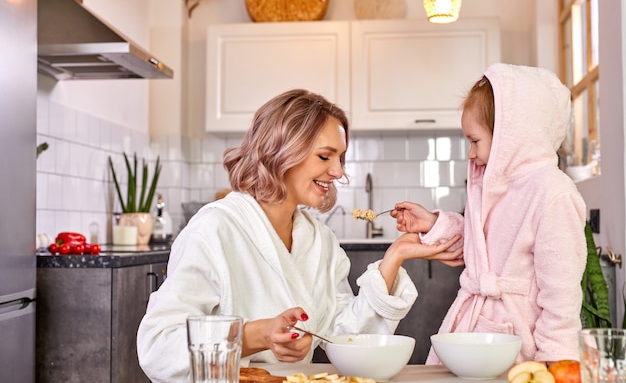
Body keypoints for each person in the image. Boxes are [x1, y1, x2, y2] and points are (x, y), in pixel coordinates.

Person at [136, 88, 462, 383]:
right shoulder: (214, 229)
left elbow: (343, 335)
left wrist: (394, 257)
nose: (338, 172)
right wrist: (255, 335)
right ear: (282, 152)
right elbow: (158, 345)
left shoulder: (319, 240)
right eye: (325, 156)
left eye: (340, 158)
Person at [392, 63, 587, 364]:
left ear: (511, 138)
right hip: (477, 333)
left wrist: (558, 358)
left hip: (520, 344)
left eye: (474, 141)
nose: (470, 153)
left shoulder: (552, 192)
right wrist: (434, 224)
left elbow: (561, 293)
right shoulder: (496, 188)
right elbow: (482, 247)